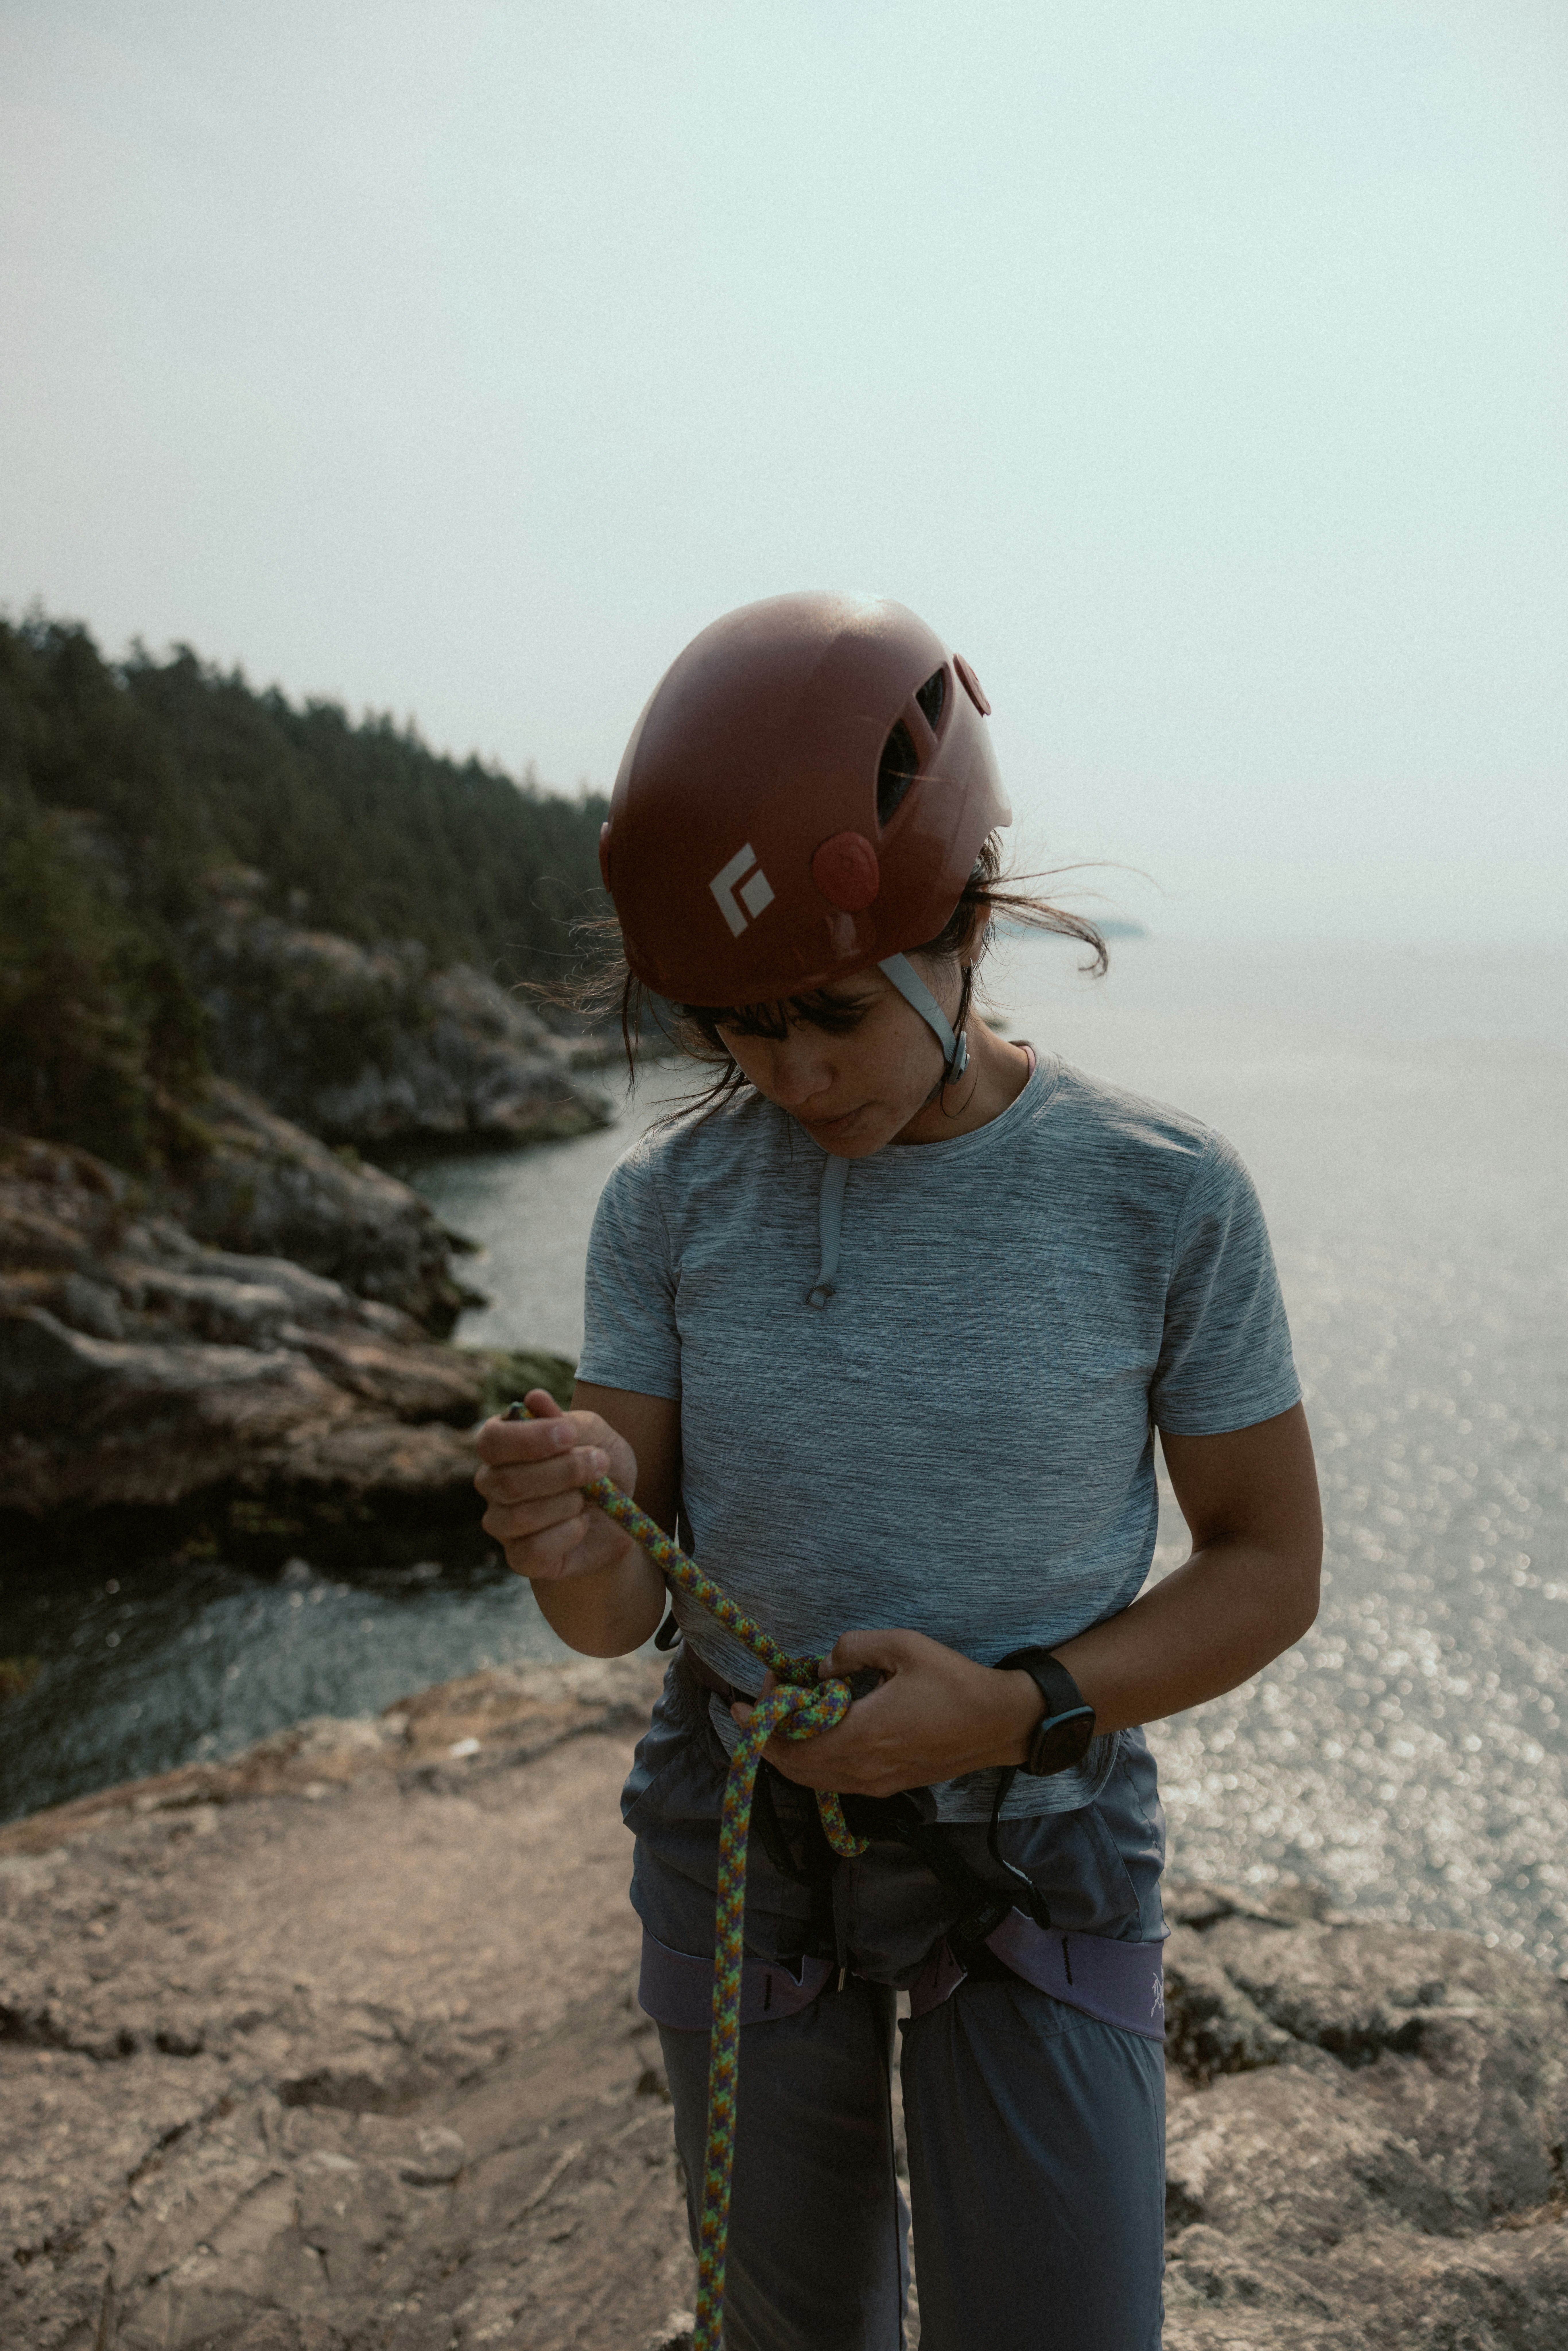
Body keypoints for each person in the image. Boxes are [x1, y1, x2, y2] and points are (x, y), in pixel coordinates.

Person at [474, 592, 1322, 2351]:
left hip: (1041, 1831)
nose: (787, 1076)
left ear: (961, 918)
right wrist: (568, 1528)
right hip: (744, 1834)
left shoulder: (1158, 1195)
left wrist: (1010, 1713)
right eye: (734, 1029)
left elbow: (1262, 1565)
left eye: (831, 1014)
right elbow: (617, 1608)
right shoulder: (667, 1210)